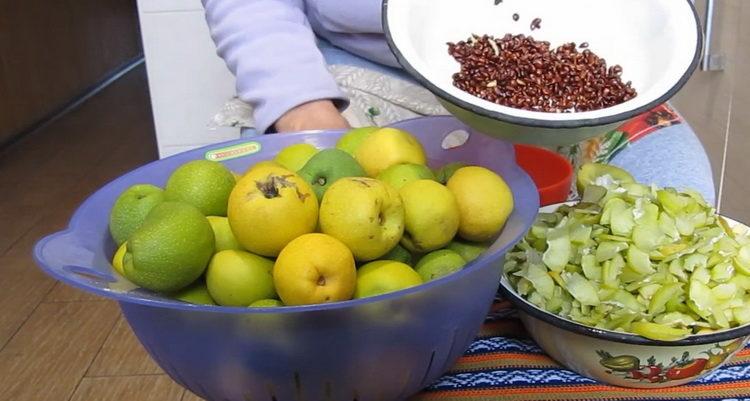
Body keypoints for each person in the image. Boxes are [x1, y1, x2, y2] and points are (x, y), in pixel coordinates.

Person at [201, 0, 716, 203]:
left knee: (676, 203)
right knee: (307, 208)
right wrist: (302, 106)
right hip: (358, 67)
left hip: (546, 52)